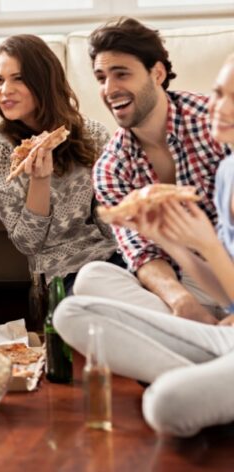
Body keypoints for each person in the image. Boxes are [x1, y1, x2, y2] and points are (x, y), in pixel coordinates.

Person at [55, 53, 234, 437]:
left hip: (223, 307)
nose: (217, 107)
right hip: (216, 308)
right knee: (71, 309)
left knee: (165, 403)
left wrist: (206, 243)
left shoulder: (206, 127)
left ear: (158, 73)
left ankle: (199, 381)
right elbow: (148, 256)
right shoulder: (226, 174)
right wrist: (177, 243)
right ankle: (210, 376)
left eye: (121, 73)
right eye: (218, 94)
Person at [73, 18, 233, 324]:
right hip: (188, 281)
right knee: (90, 280)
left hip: (230, 267)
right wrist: (181, 301)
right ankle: (203, 331)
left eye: (121, 74)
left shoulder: (212, 121)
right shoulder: (110, 168)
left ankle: (193, 338)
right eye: (101, 78)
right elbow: (140, 251)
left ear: (157, 73)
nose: (109, 89)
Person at [0, 34, 119, 293]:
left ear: (43, 80)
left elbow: (110, 221)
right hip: (61, 273)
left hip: (111, 257)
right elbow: (28, 244)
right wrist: (39, 180)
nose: (4, 90)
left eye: (18, 78)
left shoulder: (93, 134)